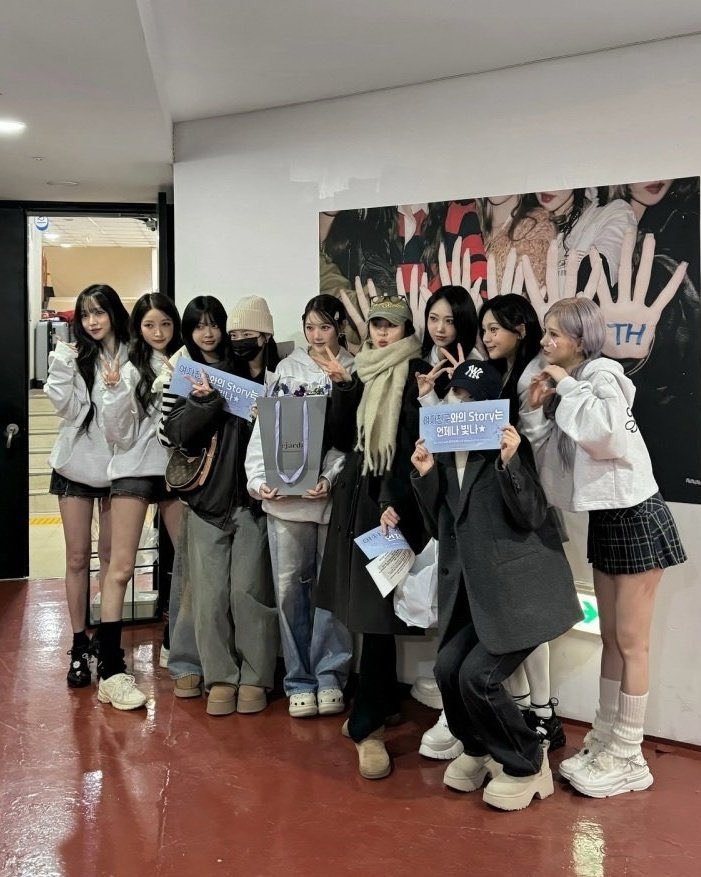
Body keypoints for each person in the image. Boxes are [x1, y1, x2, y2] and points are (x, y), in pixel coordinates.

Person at [521, 297, 686, 797]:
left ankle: (629, 754)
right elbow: (553, 467)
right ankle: (606, 736)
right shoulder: (571, 385)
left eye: (554, 333)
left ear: (580, 338)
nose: (545, 342)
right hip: (609, 519)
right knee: (611, 639)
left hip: (637, 515)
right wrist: (536, 410)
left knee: (632, 643)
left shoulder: (604, 375)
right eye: (546, 332)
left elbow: (606, 435)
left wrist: (566, 385)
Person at [410, 360, 581, 811]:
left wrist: (510, 462)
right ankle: (477, 748)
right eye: (456, 394)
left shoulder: (511, 445)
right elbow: (436, 527)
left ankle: (528, 763)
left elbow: (533, 515)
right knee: (447, 670)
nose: (460, 404)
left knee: (477, 677)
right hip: (475, 597)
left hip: (522, 595)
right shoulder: (441, 451)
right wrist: (425, 476)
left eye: (472, 399)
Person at [315, 294, 427, 779]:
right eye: (377, 325)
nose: (382, 333)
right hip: (356, 501)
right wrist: (343, 388)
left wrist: (394, 501)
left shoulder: (416, 372)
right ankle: (378, 706)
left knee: (379, 614)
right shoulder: (361, 369)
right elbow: (343, 438)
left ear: (406, 331)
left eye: (391, 326)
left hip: (390, 505)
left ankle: (369, 724)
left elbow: (413, 444)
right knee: (363, 610)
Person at [162, 296, 279, 716]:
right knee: (208, 597)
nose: (213, 334)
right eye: (237, 333)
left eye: (249, 333)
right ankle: (220, 677)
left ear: (265, 336)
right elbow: (176, 434)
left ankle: (256, 677)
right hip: (208, 501)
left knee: (250, 593)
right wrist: (204, 401)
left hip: (255, 502)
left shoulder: (280, 377)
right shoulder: (203, 374)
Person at [246, 295, 354, 718]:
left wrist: (330, 478)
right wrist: (259, 481)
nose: (316, 335)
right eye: (310, 327)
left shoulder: (355, 368)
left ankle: (330, 675)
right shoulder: (286, 371)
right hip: (285, 505)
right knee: (290, 590)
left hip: (330, 503)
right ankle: (298, 679)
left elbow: (353, 439)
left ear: (340, 326)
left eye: (324, 326)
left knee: (331, 590)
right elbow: (266, 430)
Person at [476, 294, 568, 748]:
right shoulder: (502, 373)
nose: (488, 337)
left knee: (530, 615)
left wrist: (528, 414)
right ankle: (529, 709)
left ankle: (543, 713)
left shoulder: (534, 372)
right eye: (485, 329)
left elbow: (538, 442)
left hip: (529, 507)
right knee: (517, 615)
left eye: (496, 328)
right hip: (507, 505)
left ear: (521, 329)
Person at [96, 293, 183, 709]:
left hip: (174, 472)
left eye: (165, 324)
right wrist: (115, 390)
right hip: (132, 470)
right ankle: (110, 670)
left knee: (187, 562)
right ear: (138, 327)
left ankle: (175, 642)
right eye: (150, 325)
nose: (158, 332)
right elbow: (117, 434)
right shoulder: (127, 365)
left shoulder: (184, 362)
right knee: (120, 568)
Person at [44, 284, 129, 690]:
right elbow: (66, 408)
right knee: (77, 557)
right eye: (85, 314)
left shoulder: (133, 354)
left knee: (112, 560)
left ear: (114, 314)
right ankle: (79, 644)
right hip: (75, 465)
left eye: (99, 312)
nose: (93, 321)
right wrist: (62, 364)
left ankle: (107, 642)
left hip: (120, 469)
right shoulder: (74, 355)